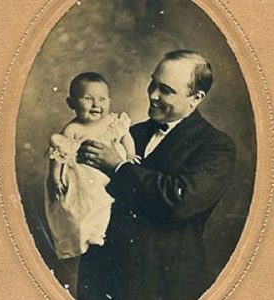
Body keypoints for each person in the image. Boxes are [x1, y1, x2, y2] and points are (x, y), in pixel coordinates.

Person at [77, 50, 236, 300]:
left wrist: (118, 168)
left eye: (166, 90)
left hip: (162, 284)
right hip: (105, 276)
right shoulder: (131, 133)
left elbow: (178, 201)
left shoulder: (216, 146)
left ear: (196, 98)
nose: (152, 94)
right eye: (153, 82)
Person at [45, 72, 136, 261]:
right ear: (72, 103)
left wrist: (130, 155)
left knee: (106, 203)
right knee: (84, 206)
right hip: (83, 177)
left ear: (109, 101)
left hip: (108, 173)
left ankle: (100, 232)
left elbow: (126, 136)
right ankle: (87, 235)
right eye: (88, 99)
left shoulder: (112, 122)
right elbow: (59, 155)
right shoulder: (73, 129)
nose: (96, 105)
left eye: (102, 99)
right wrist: (54, 176)